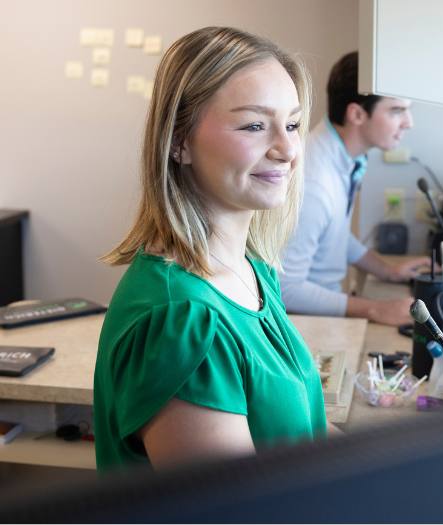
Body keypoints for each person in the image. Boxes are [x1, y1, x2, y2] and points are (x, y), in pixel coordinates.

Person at [94, 27, 332, 472]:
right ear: (179, 142)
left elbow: (304, 434)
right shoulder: (182, 321)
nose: (287, 149)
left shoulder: (253, 272)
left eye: (294, 124)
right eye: (255, 125)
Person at [279, 51, 432, 326]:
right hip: (305, 324)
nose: (409, 122)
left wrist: (388, 271)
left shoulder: (343, 158)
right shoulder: (315, 182)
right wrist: (375, 309)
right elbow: (286, 289)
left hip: (321, 311)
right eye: (397, 110)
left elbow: (333, 233)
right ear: (357, 114)